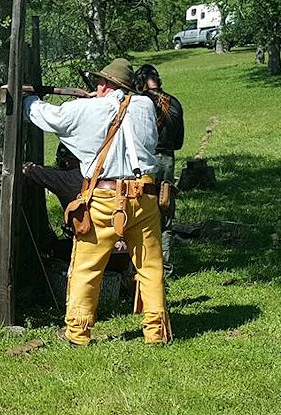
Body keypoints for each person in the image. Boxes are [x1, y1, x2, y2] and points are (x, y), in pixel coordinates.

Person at [24, 58, 171, 346]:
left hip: (104, 198)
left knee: (86, 267)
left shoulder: (90, 108)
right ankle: (156, 332)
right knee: (150, 267)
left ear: (104, 84)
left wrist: (28, 99)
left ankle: (77, 333)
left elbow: (49, 117)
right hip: (146, 195)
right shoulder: (145, 106)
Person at [134, 64, 184, 278]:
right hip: (167, 162)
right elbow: (179, 142)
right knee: (165, 213)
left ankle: (142, 265)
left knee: (140, 212)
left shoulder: (140, 103)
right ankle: (164, 268)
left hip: (145, 161)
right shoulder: (174, 103)